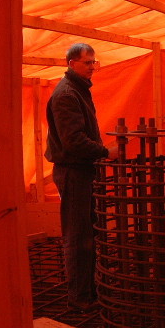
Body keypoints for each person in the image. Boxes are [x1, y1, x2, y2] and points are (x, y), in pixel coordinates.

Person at [45, 43, 117, 310]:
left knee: (86, 234)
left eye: (94, 63)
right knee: (78, 237)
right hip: (74, 172)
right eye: (88, 63)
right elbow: (74, 142)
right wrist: (105, 152)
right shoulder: (66, 95)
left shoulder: (78, 90)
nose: (92, 68)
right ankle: (80, 298)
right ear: (72, 63)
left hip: (82, 171)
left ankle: (87, 292)